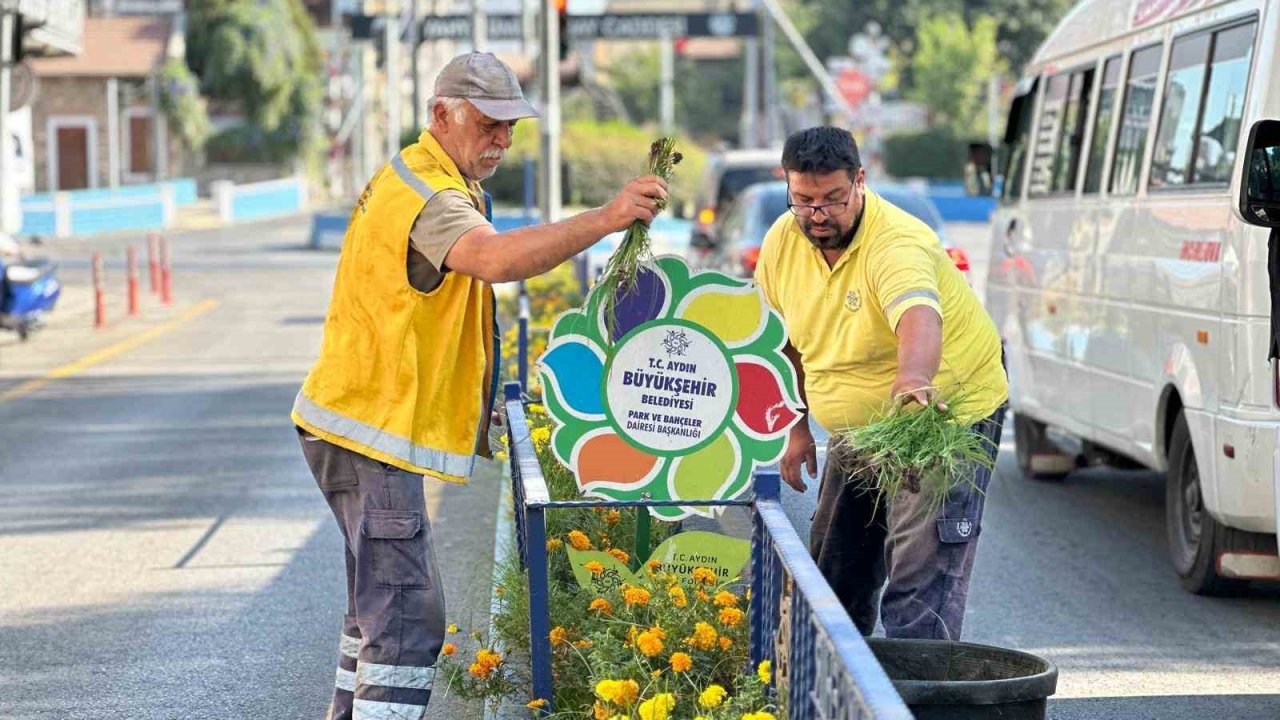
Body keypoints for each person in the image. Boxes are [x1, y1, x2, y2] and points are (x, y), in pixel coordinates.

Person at [291, 52, 667, 720]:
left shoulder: (430, 180)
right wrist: (607, 217)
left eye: (511, 127)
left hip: (351, 423)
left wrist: (481, 394)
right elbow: (494, 262)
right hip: (371, 432)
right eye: (489, 124)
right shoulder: (430, 196)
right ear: (442, 114)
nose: (502, 141)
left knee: (375, 616)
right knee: (407, 622)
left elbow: (447, 313)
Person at [753, 127, 1007, 640]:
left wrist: (913, 378)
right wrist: (795, 426)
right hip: (862, 423)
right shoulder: (782, 240)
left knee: (918, 577)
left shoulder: (897, 243)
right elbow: (780, 341)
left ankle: (916, 696)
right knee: (836, 569)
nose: (818, 214)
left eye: (833, 199)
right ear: (789, 187)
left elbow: (918, 316)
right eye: (804, 200)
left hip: (936, 414)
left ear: (860, 182)